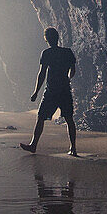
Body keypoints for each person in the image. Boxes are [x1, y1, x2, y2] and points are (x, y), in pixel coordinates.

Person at [20, 27, 78, 157]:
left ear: (47, 39)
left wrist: (36, 92)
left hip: (51, 91)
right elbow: (72, 70)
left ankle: (33, 145)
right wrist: (67, 78)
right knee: (69, 118)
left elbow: (42, 74)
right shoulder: (67, 52)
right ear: (57, 38)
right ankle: (73, 148)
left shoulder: (46, 53)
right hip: (64, 90)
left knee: (41, 117)